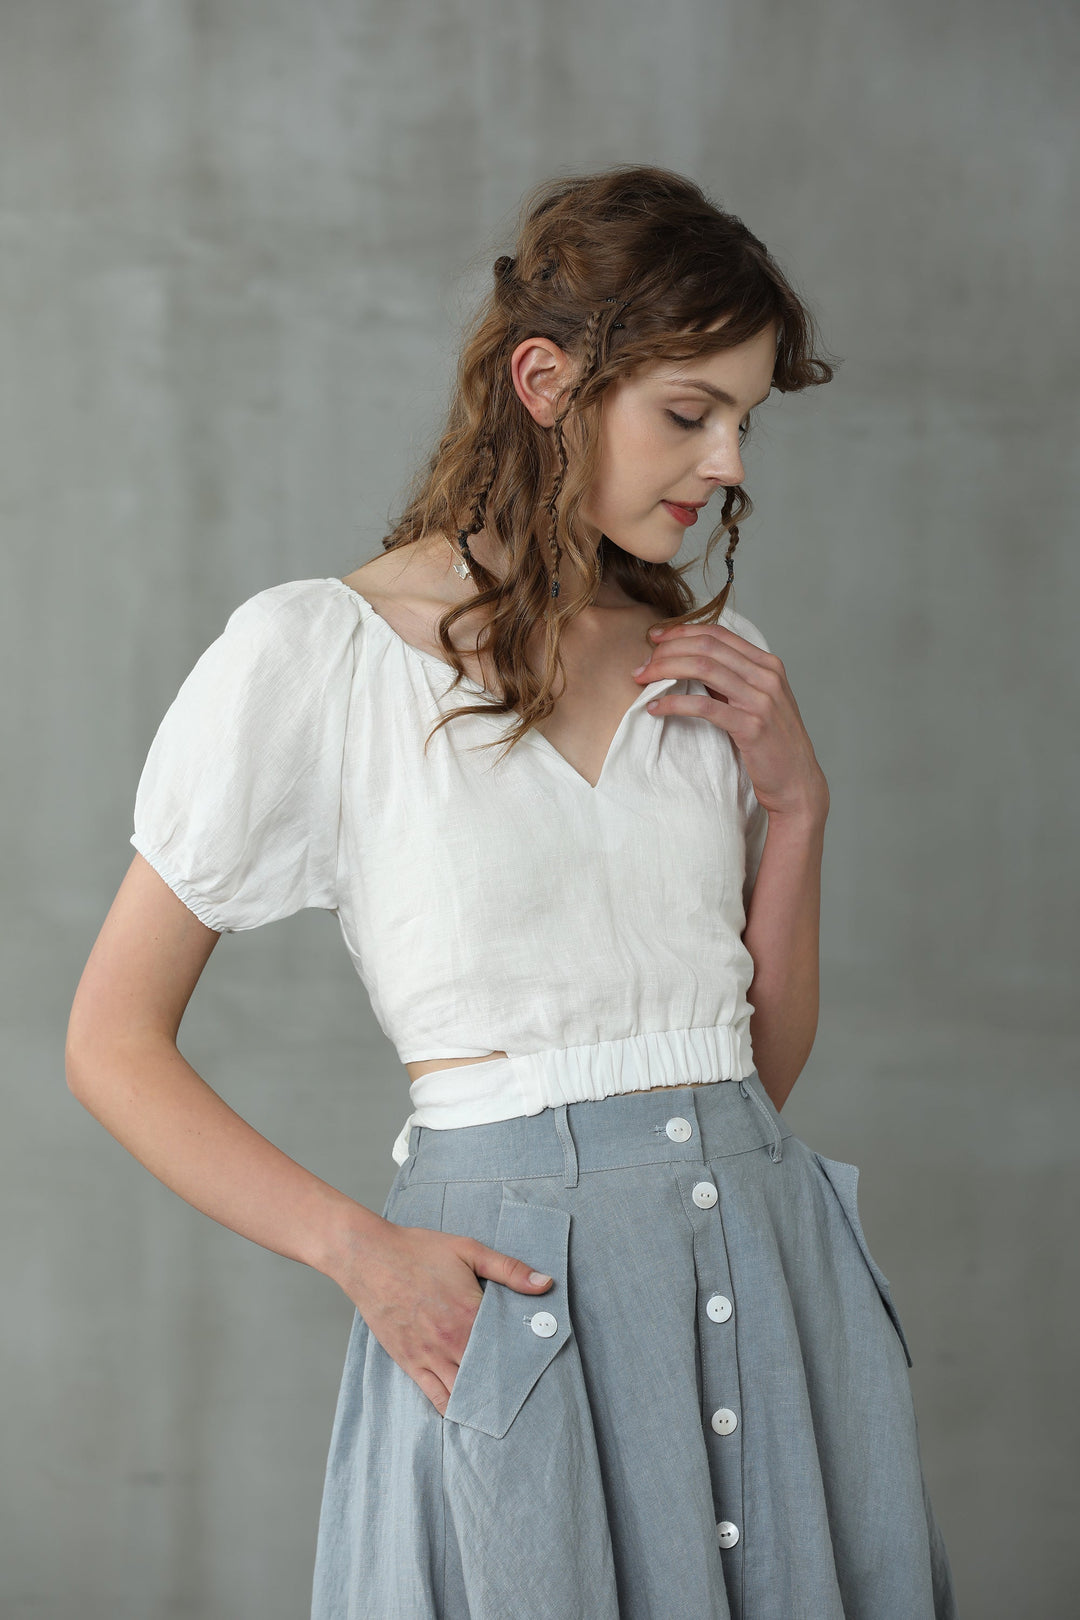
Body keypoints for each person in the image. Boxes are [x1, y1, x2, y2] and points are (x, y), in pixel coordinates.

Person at [66, 165, 959, 1619]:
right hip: (516, 1315)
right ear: (547, 383)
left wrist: (799, 809)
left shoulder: (712, 668)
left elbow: (749, 1077)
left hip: (770, 1278)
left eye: (746, 421)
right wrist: (361, 1254)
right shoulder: (320, 658)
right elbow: (109, 1041)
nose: (729, 461)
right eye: (690, 412)